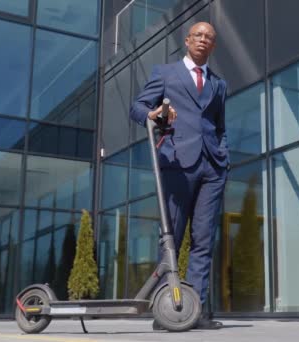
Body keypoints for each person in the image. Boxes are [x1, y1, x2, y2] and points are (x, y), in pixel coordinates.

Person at [129, 22, 227, 330]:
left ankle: (195, 312)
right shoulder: (165, 73)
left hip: (212, 166)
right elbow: (137, 107)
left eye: (209, 38)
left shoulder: (219, 84)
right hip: (176, 163)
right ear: (187, 41)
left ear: (213, 46)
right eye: (198, 35)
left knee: (203, 240)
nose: (203, 40)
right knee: (172, 239)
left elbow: (218, 126)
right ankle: (168, 312)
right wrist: (153, 115)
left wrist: (223, 156)